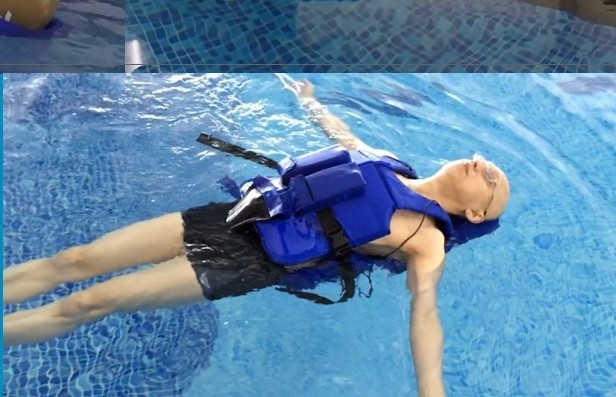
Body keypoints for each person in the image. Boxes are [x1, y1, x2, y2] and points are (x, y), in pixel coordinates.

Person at [3, 79, 510, 397]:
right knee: (76, 258)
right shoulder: (391, 163)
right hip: (235, 216)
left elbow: (425, 313)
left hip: (249, 262)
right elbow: (344, 138)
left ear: (474, 211)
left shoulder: (426, 237)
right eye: (488, 164)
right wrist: (307, 99)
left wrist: (432, 388)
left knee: (93, 301)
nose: (482, 166)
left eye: (491, 182)